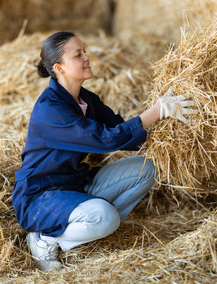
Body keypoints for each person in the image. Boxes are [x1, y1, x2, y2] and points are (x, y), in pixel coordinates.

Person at [12, 31, 196, 271]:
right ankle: (45, 240)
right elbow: (103, 140)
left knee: (146, 168)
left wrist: (170, 136)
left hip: (76, 184)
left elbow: (120, 131)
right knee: (105, 216)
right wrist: (156, 111)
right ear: (59, 68)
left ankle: (96, 226)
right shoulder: (50, 109)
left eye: (85, 51)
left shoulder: (86, 99)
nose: (87, 57)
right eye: (78, 55)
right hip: (41, 197)